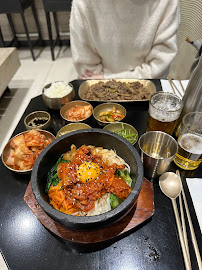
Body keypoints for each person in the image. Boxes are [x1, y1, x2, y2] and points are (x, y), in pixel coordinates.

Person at [70, 0, 180, 80]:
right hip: (99, 88)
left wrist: (109, 80)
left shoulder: (167, 3)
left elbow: (159, 68)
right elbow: (87, 68)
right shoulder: (84, 3)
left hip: (147, 88)